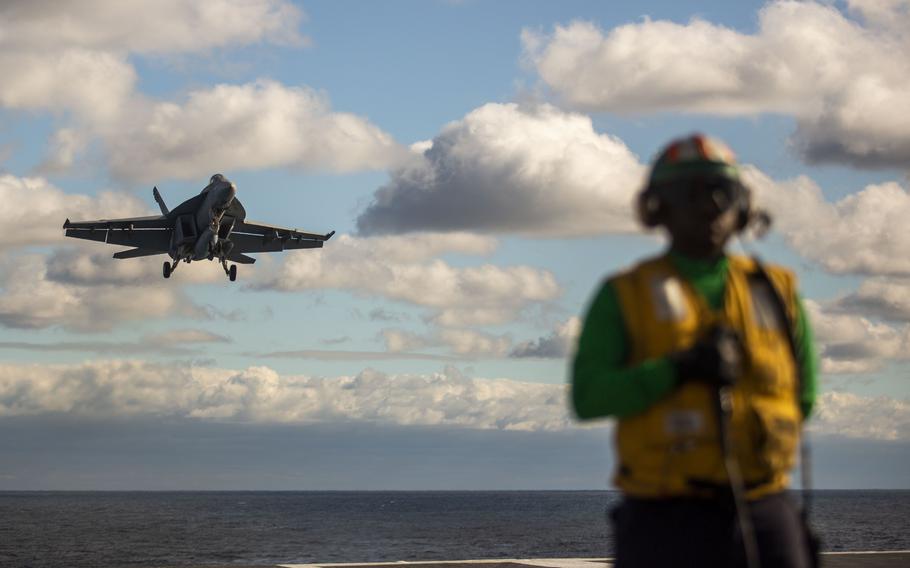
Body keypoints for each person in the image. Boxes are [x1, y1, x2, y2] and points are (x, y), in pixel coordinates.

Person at [571, 134, 818, 568]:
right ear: (657, 208)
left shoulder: (777, 291)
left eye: (721, 194)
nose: (708, 208)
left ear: (742, 208)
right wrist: (677, 370)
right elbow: (589, 396)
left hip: (763, 510)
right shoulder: (624, 295)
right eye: (690, 194)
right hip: (664, 519)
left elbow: (805, 395)